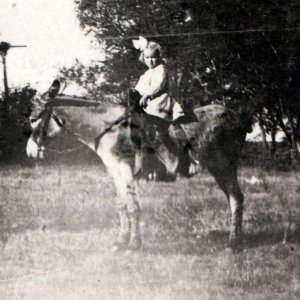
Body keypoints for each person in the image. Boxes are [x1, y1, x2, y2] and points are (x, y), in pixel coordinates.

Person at [132, 36, 198, 174]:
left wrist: (147, 95)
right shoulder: (146, 74)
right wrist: (135, 95)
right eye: (147, 58)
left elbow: (159, 85)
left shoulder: (161, 69)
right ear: (143, 58)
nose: (150, 60)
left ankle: (164, 143)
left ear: (159, 57)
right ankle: (145, 159)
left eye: (153, 57)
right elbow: (138, 88)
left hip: (159, 100)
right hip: (147, 102)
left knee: (154, 118)